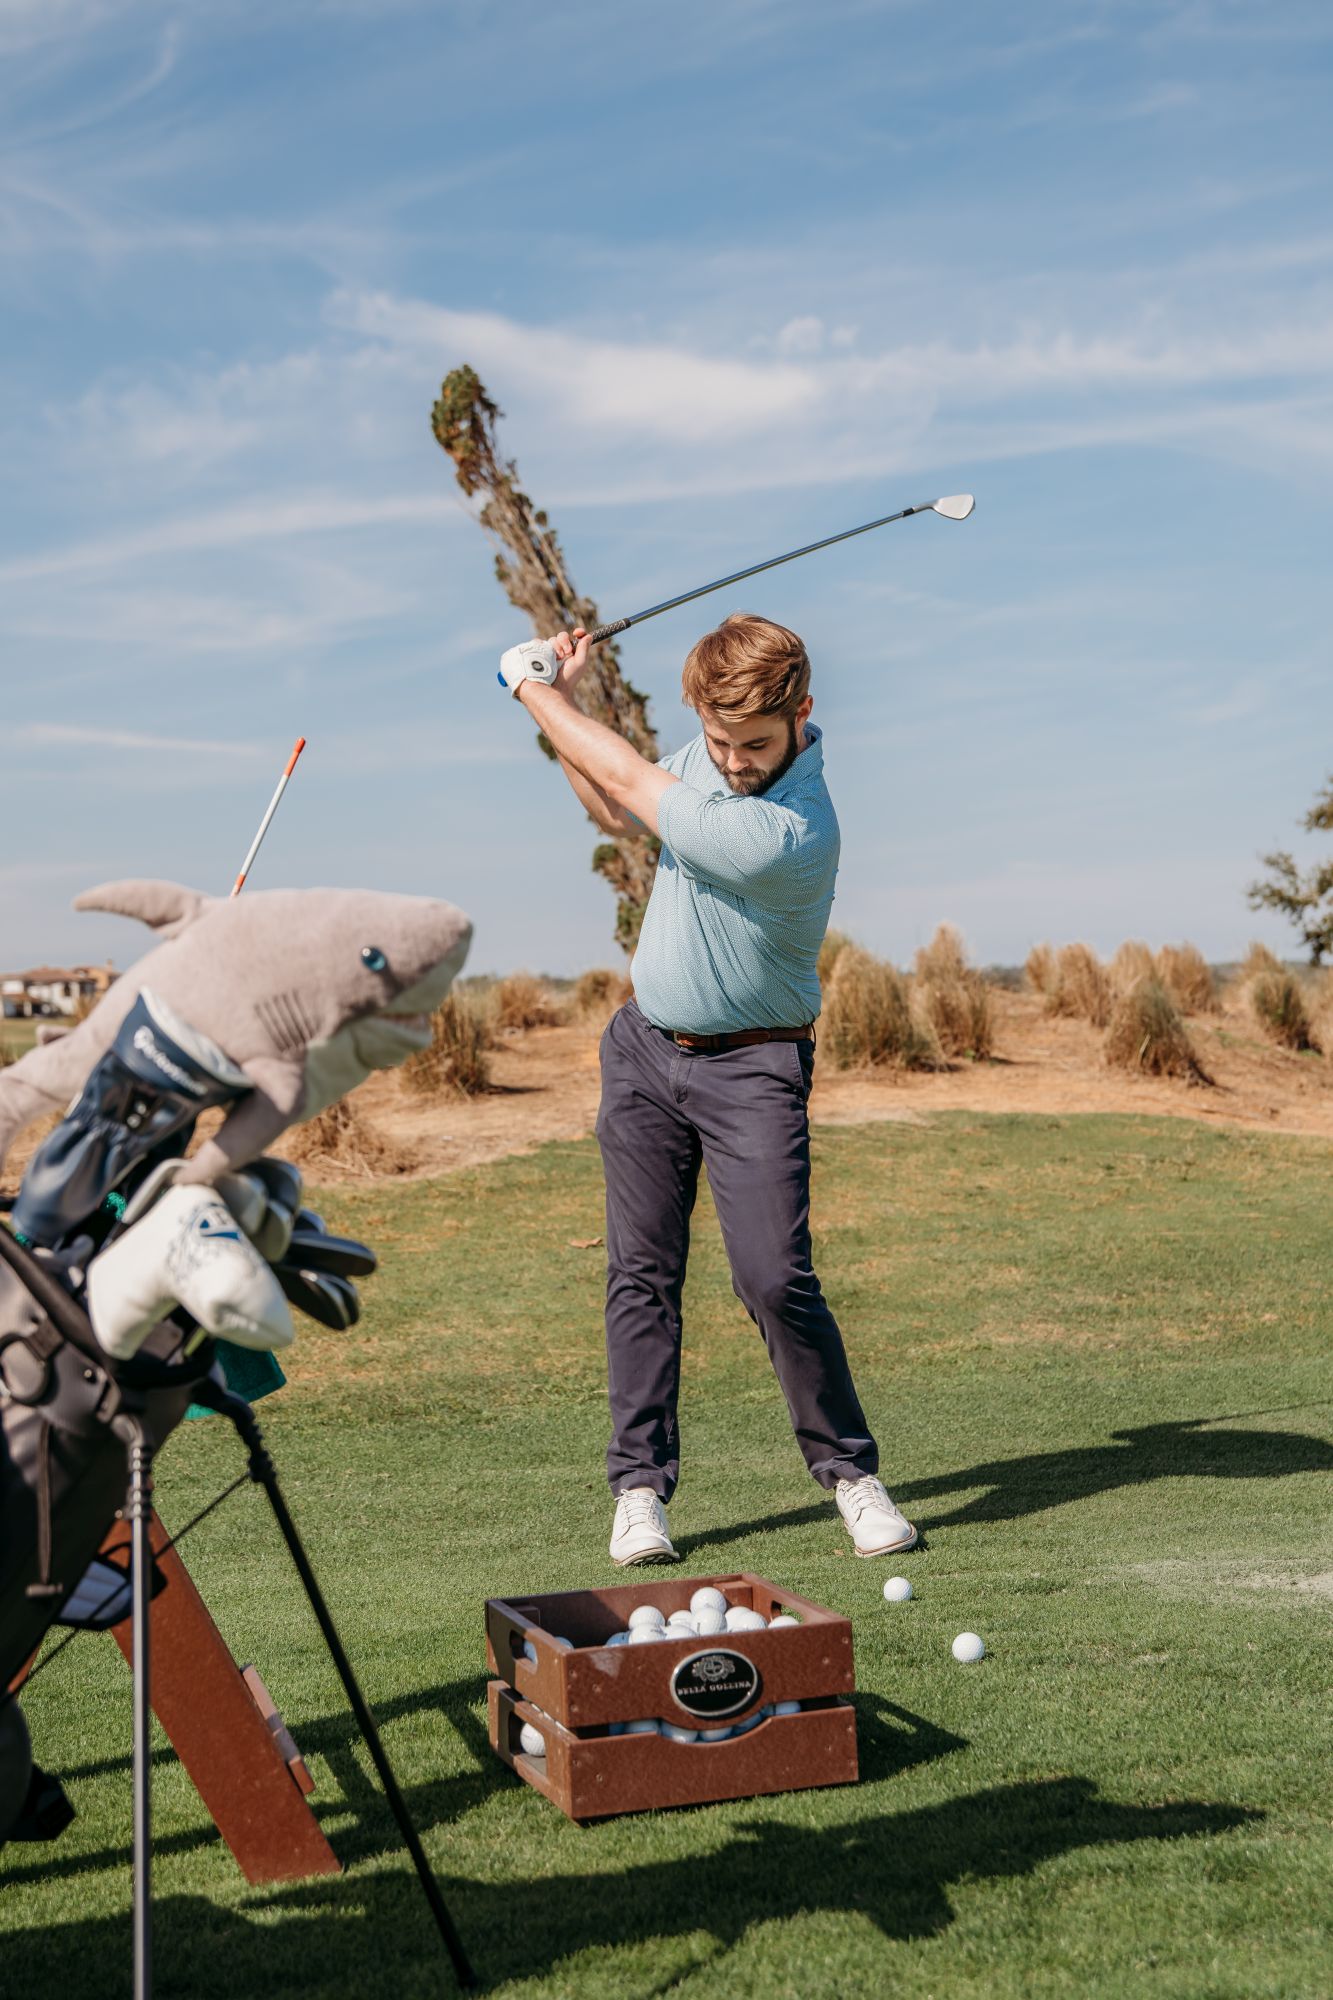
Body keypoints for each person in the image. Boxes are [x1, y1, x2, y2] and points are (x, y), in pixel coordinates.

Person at [504, 612, 916, 1566]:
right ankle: (638, 1489)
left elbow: (629, 781)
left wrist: (528, 689)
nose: (731, 763)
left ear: (801, 715)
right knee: (639, 1274)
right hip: (644, 1052)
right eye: (718, 741)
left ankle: (850, 1474)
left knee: (773, 1277)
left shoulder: (788, 831)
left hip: (754, 1068)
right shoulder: (711, 761)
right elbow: (615, 808)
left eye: (754, 745)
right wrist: (563, 701)